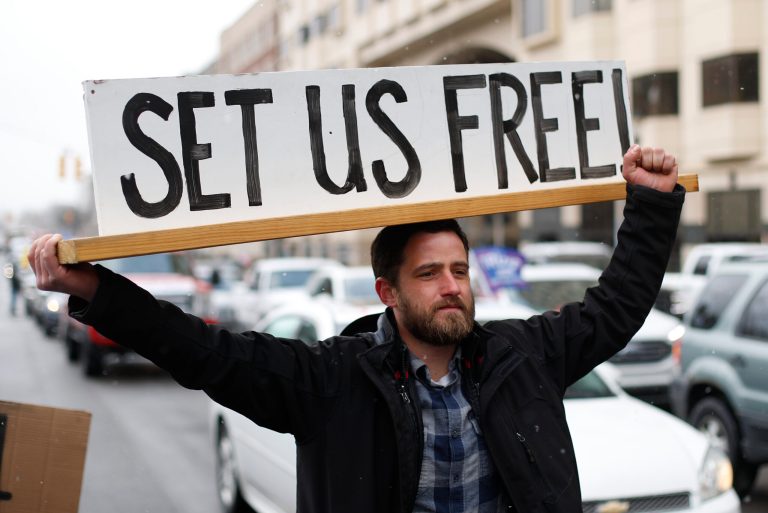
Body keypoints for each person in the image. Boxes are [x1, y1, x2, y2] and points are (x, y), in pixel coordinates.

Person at [28, 144, 683, 513]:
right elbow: (206, 351)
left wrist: (650, 202)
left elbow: (617, 303)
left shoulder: (524, 355)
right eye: (430, 273)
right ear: (387, 292)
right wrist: (95, 289)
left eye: (459, 268)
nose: (452, 284)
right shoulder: (332, 379)